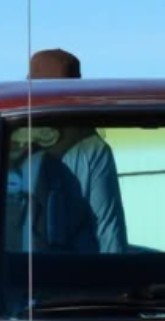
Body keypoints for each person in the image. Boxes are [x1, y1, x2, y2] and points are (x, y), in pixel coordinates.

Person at [27, 49, 127, 253]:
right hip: (75, 276)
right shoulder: (93, 148)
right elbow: (109, 232)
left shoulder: (9, 141)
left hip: (9, 275)